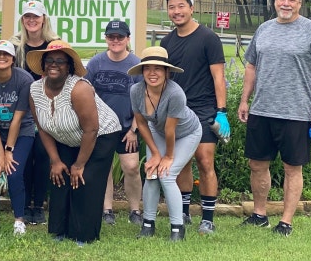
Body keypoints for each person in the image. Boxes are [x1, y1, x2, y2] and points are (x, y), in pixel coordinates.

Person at [238, 0, 311, 236]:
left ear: (299, 3)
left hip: (295, 112)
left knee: (293, 168)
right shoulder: (264, 30)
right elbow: (251, 67)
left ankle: (286, 222)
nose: (286, 3)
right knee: (257, 165)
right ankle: (259, 215)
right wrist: (245, 100)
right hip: (262, 110)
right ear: (274, 1)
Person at [27, 40, 121, 246]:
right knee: (60, 177)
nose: (54, 64)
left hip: (100, 134)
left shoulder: (79, 89)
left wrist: (79, 165)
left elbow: (91, 129)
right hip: (65, 136)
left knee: (85, 180)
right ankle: (60, 231)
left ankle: (84, 235)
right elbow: (42, 127)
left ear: (69, 67)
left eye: (60, 61)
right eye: (50, 60)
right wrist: (55, 160)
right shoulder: (34, 90)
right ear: (43, 65)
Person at [160, 0, 229, 235]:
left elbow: (218, 76)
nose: (176, 11)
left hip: (204, 109)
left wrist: (221, 111)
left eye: (181, 6)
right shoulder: (166, 42)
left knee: (205, 161)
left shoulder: (208, 38)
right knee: (182, 162)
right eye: (171, 7)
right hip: (177, 111)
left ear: (191, 8)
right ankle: (185, 212)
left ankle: (208, 218)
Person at [128, 46, 201, 241]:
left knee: (167, 175)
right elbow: (141, 123)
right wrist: (155, 154)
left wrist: (167, 157)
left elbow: (171, 130)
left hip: (187, 133)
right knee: (152, 172)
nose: (152, 73)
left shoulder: (175, 93)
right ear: (142, 71)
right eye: (147, 68)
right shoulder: (136, 90)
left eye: (158, 68)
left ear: (167, 72)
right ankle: (147, 225)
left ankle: (177, 229)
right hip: (157, 131)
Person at [85, 20, 143, 226]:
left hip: (128, 127)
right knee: (105, 168)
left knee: (132, 167)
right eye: (111, 37)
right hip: (102, 127)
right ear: (106, 38)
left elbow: (142, 101)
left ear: (127, 38)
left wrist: (134, 130)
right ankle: (106, 209)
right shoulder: (96, 63)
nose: (115, 40)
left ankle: (135, 210)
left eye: (120, 37)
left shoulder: (136, 65)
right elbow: (85, 93)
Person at [9, 0, 59, 225]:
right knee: (25, 157)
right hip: (22, 109)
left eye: (35, 17)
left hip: (49, 108)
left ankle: (38, 204)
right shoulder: (15, 44)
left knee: (43, 155)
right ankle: (25, 202)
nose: (31, 20)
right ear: (23, 20)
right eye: (27, 16)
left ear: (43, 19)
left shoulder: (54, 44)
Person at [0, 40, 35, 236]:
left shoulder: (24, 79)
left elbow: (18, 117)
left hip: (21, 132)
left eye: (6, 54)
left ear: (13, 59)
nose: (2, 58)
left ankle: (19, 219)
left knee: (13, 173)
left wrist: (8, 151)